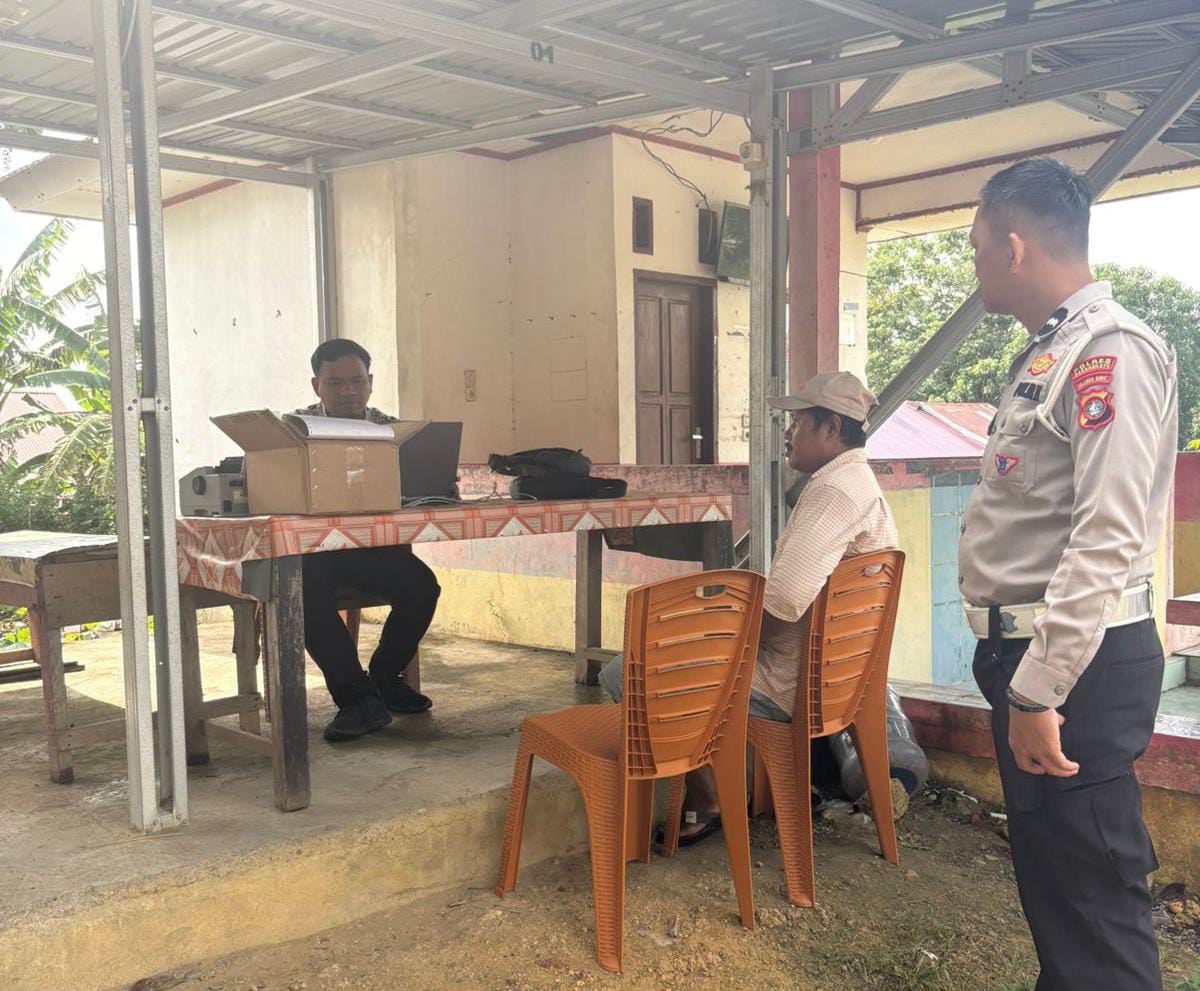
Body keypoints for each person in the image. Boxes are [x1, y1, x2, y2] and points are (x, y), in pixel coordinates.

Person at [960, 158, 1177, 990]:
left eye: (977, 247)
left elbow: (1107, 535)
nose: (976, 264)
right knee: (1061, 899)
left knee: (1093, 909)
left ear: (1014, 246)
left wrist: (1039, 690)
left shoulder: (1108, 353)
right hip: (1040, 661)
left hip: (1072, 670)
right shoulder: (1051, 354)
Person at [599, 371, 898, 844]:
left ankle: (708, 797)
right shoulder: (859, 482)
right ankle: (748, 784)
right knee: (685, 645)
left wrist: (721, 643)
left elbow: (784, 604)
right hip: (833, 674)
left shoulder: (833, 492)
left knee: (627, 671)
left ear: (831, 427)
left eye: (799, 422)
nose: (788, 432)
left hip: (788, 681)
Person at [295, 338, 442, 742]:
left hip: (371, 549)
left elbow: (413, 487)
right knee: (300, 590)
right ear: (316, 386)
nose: (348, 391)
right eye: (335, 382)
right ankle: (356, 698)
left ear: (370, 382)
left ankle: (383, 680)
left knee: (422, 586)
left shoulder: (393, 433)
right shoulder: (296, 432)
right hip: (316, 552)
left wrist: (436, 484)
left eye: (357, 381)